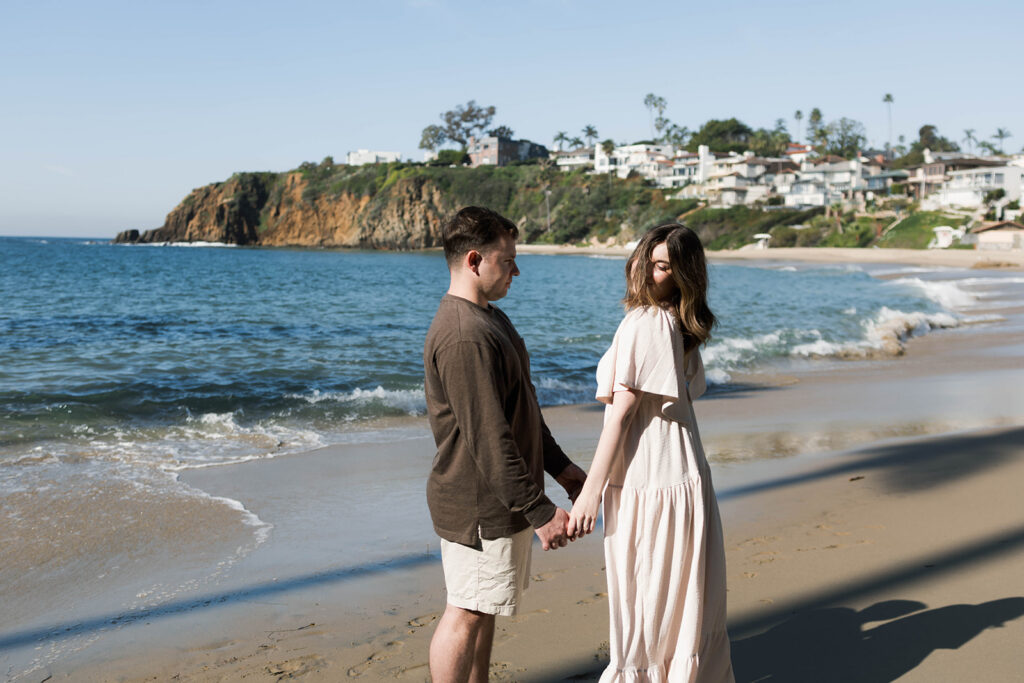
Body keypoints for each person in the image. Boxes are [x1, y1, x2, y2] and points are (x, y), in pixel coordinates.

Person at [423, 205, 588, 683]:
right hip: (478, 502)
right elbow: (489, 437)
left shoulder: (491, 319)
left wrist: (564, 472)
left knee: (484, 607)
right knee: (466, 612)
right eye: (508, 259)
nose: (517, 269)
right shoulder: (464, 336)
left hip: (500, 497)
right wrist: (540, 511)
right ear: (474, 261)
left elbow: (524, 411)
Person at [568, 223, 734, 682]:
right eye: (651, 261)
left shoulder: (645, 322)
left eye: (665, 267)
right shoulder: (681, 325)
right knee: (679, 609)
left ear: (684, 276)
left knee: (645, 609)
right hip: (683, 477)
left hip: (653, 484)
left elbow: (620, 417)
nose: (652, 273)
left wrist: (590, 494)